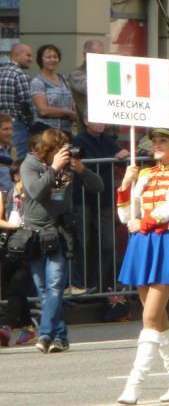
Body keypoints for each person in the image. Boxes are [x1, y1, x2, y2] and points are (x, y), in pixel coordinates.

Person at [116, 106, 169, 404]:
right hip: (142, 243)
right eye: (155, 140)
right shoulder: (144, 173)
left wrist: (144, 223)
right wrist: (126, 186)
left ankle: (134, 386)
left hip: (165, 243)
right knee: (159, 319)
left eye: (164, 140)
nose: (157, 145)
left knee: (149, 317)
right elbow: (126, 216)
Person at [21, 128, 103, 353]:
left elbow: (98, 187)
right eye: (59, 150)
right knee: (43, 290)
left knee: (56, 285)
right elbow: (36, 191)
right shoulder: (30, 164)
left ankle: (46, 334)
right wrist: (54, 168)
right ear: (46, 151)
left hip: (60, 230)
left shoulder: (70, 164)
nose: (65, 154)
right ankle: (60, 337)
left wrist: (83, 170)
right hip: (35, 234)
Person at [72, 115, 129, 292]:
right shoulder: (78, 140)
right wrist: (113, 157)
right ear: (86, 121)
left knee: (108, 243)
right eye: (96, 119)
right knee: (84, 242)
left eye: (102, 119)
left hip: (104, 198)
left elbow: (121, 159)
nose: (100, 122)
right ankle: (81, 283)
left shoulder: (108, 140)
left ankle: (102, 284)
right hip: (84, 198)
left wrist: (120, 156)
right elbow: (84, 166)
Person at [0, 163, 36, 347]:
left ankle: (5, 326)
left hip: (29, 247)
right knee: (15, 290)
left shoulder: (34, 195)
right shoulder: (5, 195)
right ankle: (29, 327)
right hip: (9, 247)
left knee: (17, 286)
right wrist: (15, 226)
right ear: (15, 177)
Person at [30, 44, 77, 134]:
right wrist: (68, 113)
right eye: (48, 57)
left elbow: (71, 104)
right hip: (46, 131)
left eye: (55, 57)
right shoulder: (37, 82)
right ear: (41, 60)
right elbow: (43, 110)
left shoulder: (64, 80)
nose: (52, 60)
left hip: (66, 131)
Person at [0, 43, 34, 159]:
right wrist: (31, 124)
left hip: (2, 123)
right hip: (16, 125)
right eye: (28, 55)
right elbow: (26, 105)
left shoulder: (1, 71)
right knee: (17, 161)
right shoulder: (20, 75)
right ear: (16, 55)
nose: (31, 59)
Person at [67, 39, 105, 135]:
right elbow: (93, 88)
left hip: (108, 129)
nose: (99, 59)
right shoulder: (77, 74)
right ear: (85, 56)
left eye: (102, 55)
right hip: (86, 130)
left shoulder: (107, 72)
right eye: (96, 55)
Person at [0, 114, 16, 193]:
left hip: (11, 199)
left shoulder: (12, 149)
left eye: (11, 129)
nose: (10, 132)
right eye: (5, 129)